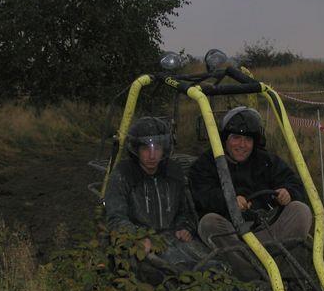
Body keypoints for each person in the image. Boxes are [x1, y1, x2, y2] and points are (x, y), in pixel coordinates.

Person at [189, 106, 312, 281]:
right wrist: (229, 201)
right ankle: (262, 277)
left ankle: (260, 273)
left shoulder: (266, 160)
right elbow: (202, 196)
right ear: (225, 139)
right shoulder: (206, 164)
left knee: (301, 210)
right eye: (236, 138)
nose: (242, 145)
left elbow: (294, 182)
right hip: (232, 237)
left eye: (247, 139)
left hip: (266, 232)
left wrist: (288, 192)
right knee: (208, 223)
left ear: (255, 142)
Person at [104, 116, 200, 278]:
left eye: (157, 148)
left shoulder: (174, 171)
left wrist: (185, 227)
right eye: (146, 148)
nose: (152, 155)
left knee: (213, 263)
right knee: (178, 272)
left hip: (173, 238)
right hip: (142, 241)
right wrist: (136, 237)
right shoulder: (123, 174)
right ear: (136, 150)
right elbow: (115, 217)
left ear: (165, 149)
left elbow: (186, 210)